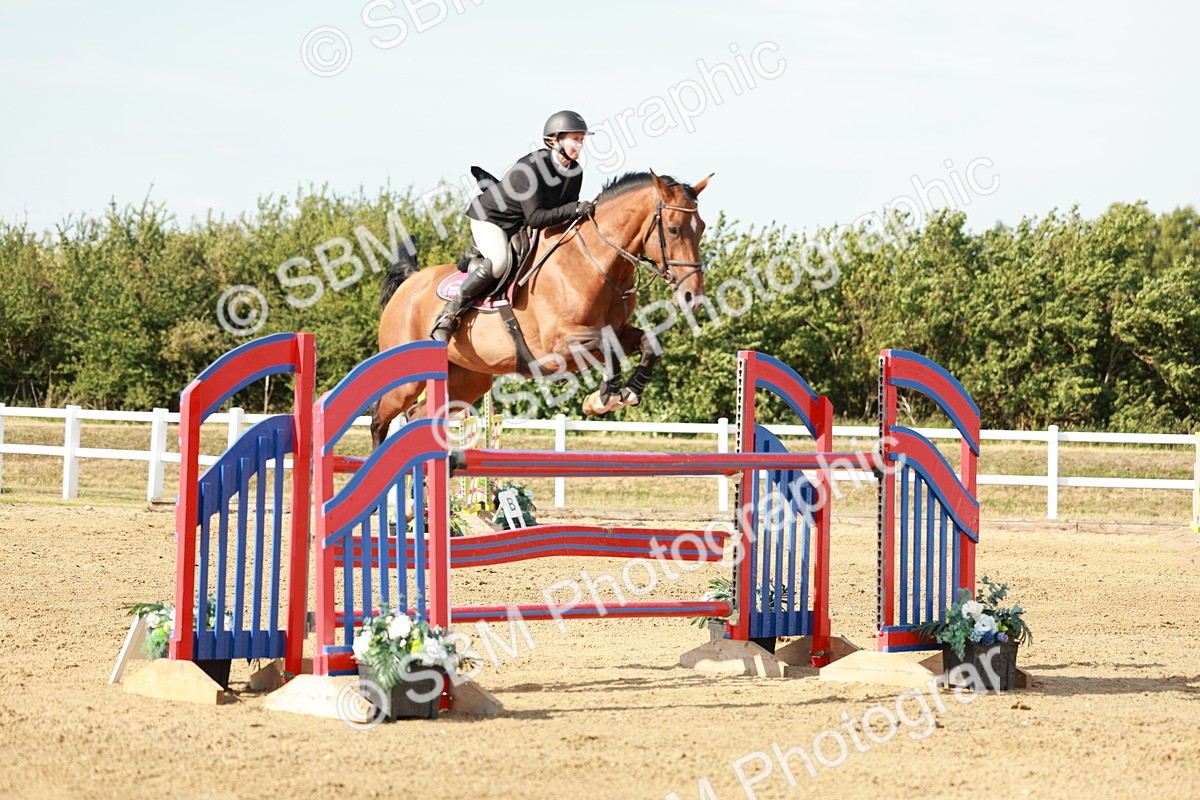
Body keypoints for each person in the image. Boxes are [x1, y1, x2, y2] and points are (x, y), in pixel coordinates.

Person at [430, 110, 596, 342]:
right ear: (554, 140)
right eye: (574, 139)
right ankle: (449, 314)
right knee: (499, 263)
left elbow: (564, 214)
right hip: (491, 219)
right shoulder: (531, 168)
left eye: (581, 140)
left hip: (519, 223)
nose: (580, 145)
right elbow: (537, 218)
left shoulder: (575, 172)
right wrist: (576, 209)